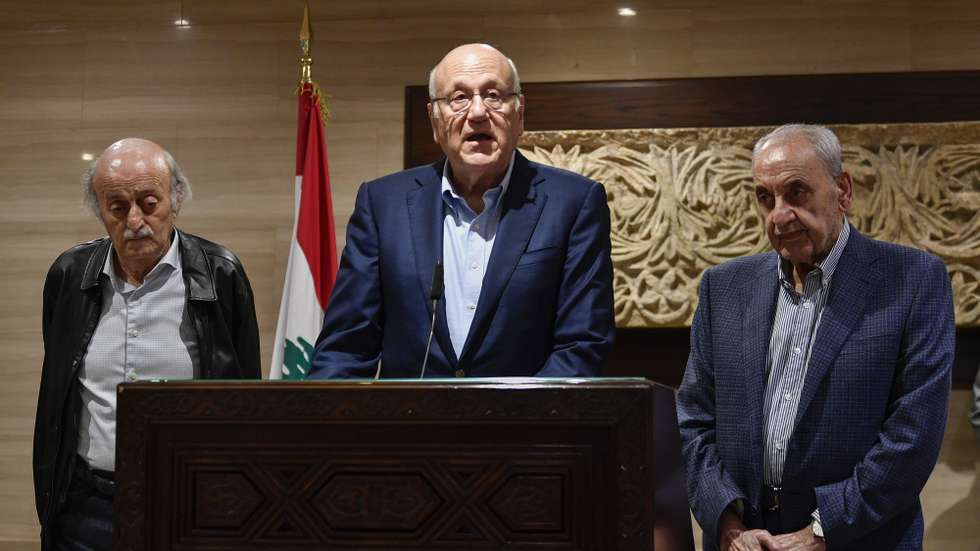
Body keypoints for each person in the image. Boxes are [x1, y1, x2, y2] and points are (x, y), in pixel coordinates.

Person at [676, 124, 954, 551]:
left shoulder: (913, 281)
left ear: (842, 190)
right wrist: (728, 523)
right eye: (765, 198)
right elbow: (694, 420)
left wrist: (820, 533)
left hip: (859, 541)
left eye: (797, 192)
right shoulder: (723, 288)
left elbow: (912, 438)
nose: (779, 215)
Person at [308, 44, 614, 379]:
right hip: (411, 427)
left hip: (529, 427)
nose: (479, 111)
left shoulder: (573, 202)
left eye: (494, 94)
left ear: (519, 113)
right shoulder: (383, 204)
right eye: (459, 97)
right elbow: (345, 348)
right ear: (434, 119)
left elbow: (583, 346)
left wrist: (513, 424)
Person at [33, 138, 261, 551]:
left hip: (188, 502)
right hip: (87, 506)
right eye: (117, 207)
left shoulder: (221, 274)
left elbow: (244, 398)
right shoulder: (68, 276)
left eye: (149, 202)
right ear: (100, 212)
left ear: (176, 199)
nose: (134, 219)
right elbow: (58, 393)